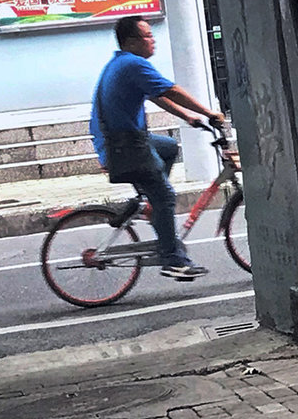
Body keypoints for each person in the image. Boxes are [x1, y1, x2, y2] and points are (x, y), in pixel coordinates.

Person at [89, 16, 224, 281]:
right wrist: (208, 112)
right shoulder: (133, 64)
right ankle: (173, 259)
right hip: (124, 145)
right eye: (147, 37)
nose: (153, 41)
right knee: (165, 196)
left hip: (124, 140)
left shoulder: (122, 63)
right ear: (130, 42)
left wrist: (188, 117)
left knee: (169, 147)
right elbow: (171, 90)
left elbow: (155, 94)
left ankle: (147, 202)